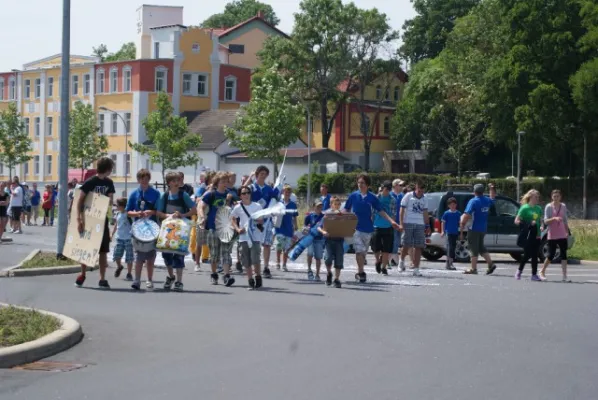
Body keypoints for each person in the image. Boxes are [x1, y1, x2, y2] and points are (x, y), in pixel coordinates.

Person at [343, 174, 399, 283]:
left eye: (362, 183)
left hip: (368, 229)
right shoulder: (353, 196)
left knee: (363, 252)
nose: (360, 185)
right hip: (356, 229)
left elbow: (381, 211)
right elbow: (346, 209)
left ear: (367, 185)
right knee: (359, 251)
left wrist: (392, 221)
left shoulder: (372, 197)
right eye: (359, 183)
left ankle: (360, 271)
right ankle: (361, 272)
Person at [75, 157, 116, 289]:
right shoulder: (90, 182)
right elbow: (80, 201)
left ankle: (102, 279)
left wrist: (107, 200)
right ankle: (82, 274)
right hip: (89, 219)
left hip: (102, 220)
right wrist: (79, 220)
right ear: (108, 169)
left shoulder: (109, 182)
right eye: (111, 168)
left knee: (103, 250)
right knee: (86, 247)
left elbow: (110, 201)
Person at [156, 172, 197, 291]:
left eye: (178, 181)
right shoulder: (165, 196)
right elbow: (159, 212)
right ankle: (171, 276)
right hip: (167, 229)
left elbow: (193, 210)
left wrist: (182, 214)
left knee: (179, 255)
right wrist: (169, 215)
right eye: (174, 181)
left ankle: (179, 281)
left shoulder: (183, 195)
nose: (177, 183)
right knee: (166, 254)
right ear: (169, 183)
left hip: (181, 229)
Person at [199, 172, 236, 287]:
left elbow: (235, 209)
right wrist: (202, 216)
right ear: (217, 183)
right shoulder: (211, 195)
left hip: (226, 228)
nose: (225, 184)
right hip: (213, 227)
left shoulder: (230, 195)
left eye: (226, 181)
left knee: (226, 253)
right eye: (222, 181)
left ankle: (226, 276)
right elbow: (201, 206)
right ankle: (214, 274)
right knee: (214, 254)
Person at [126, 168, 161, 290]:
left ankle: (149, 279)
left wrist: (150, 211)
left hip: (152, 229)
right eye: (142, 179)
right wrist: (137, 214)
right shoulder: (134, 194)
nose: (144, 181)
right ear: (138, 180)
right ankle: (137, 280)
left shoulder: (156, 194)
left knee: (151, 257)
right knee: (139, 257)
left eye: (146, 179)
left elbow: (159, 211)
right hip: (138, 229)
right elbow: (128, 212)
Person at [245, 166, 280, 279]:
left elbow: (275, 200)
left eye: (265, 174)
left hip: (266, 220)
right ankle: (254, 266)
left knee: (267, 244)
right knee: (254, 244)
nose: (263, 176)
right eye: (261, 173)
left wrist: (278, 190)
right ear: (257, 174)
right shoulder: (251, 187)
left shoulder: (269, 189)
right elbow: (243, 196)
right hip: (253, 220)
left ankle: (265, 267)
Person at [231, 185, 264, 289]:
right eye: (244, 193)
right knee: (246, 260)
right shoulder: (238, 207)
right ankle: (250, 280)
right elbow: (232, 218)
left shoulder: (257, 206)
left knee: (255, 259)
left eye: (248, 192)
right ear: (240, 196)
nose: (246, 195)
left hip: (255, 236)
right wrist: (237, 229)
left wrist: (256, 221)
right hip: (243, 237)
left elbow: (261, 220)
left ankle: (258, 276)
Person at [460, 183, 497, 275]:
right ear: (482, 191)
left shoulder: (473, 201)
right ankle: (490, 264)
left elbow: (467, 214)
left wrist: (462, 223)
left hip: (474, 228)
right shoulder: (487, 200)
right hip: (483, 228)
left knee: (473, 248)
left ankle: (473, 268)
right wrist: (492, 188)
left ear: (474, 192)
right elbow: (493, 198)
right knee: (481, 247)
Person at [398, 181, 430, 277]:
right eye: (418, 188)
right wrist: (401, 223)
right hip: (408, 222)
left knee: (418, 246)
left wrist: (427, 225)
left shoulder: (425, 199)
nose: (420, 191)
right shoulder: (408, 196)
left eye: (422, 189)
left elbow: (425, 213)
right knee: (406, 244)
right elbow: (402, 210)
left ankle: (416, 268)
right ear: (416, 187)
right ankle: (401, 261)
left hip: (420, 224)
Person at [540, 190, 570, 282]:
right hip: (552, 233)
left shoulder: (563, 206)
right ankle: (542, 271)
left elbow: (565, 219)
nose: (556, 198)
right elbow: (545, 221)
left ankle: (564, 276)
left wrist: (567, 231)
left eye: (557, 196)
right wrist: (554, 218)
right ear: (551, 197)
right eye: (554, 196)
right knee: (551, 255)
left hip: (562, 233)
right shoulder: (549, 207)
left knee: (564, 254)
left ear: (560, 197)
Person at [514, 189, 543, 281]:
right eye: (535, 197)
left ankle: (534, 275)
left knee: (535, 255)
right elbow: (516, 221)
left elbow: (541, 220)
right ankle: (519, 271)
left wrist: (542, 226)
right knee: (527, 255)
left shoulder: (538, 208)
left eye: (538, 197)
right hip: (528, 235)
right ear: (530, 197)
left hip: (537, 234)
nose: (537, 199)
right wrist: (528, 223)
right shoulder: (524, 208)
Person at [373, 180, 399, 275]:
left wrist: (392, 223)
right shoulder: (376, 198)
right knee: (376, 248)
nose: (386, 191)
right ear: (382, 188)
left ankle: (384, 267)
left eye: (388, 189)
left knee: (386, 249)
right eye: (385, 189)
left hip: (388, 227)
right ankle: (377, 261)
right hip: (376, 226)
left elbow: (393, 214)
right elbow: (372, 212)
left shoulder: (392, 200)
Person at [318, 196, 344, 288]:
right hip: (329, 240)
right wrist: (324, 232)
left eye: (338, 204)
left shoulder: (343, 215)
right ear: (331, 205)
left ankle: (337, 279)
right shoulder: (327, 215)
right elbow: (319, 227)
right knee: (328, 258)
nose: (336, 206)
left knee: (339, 260)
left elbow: (348, 226)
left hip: (339, 240)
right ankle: (329, 273)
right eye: (335, 204)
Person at [275, 185, 298, 273]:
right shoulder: (279, 203)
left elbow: (295, 216)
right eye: (285, 191)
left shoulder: (293, 204)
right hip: (279, 228)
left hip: (289, 228)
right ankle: (278, 262)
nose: (287, 193)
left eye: (289, 192)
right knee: (279, 246)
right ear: (283, 192)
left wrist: (295, 226)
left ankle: (284, 264)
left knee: (287, 248)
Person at [111, 198, 134, 281]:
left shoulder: (128, 214)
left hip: (128, 238)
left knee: (129, 257)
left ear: (122, 206)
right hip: (119, 238)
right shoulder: (118, 214)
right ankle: (119, 266)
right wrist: (112, 234)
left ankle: (129, 273)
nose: (116, 207)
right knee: (116, 255)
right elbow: (116, 225)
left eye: (117, 205)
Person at [304, 200, 325, 280]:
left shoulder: (324, 216)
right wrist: (306, 229)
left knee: (318, 257)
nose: (319, 208)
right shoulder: (309, 216)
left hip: (319, 238)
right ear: (314, 207)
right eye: (318, 206)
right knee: (310, 253)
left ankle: (317, 274)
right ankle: (309, 270)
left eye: (321, 206)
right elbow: (305, 226)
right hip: (310, 238)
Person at [441, 197, 461, 270]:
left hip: (455, 232)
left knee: (453, 247)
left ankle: (449, 262)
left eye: (454, 204)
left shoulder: (458, 213)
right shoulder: (446, 213)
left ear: (456, 205)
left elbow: (460, 223)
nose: (453, 206)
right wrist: (443, 231)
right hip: (448, 232)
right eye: (451, 204)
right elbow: (443, 222)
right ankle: (449, 263)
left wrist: (461, 232)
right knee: (450, 247)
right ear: (448, 205)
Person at [390, 179, 406, 266]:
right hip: (392, 222)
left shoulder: (402, 196)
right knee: (394, 240)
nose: (401, 187)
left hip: (400, 222)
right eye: (400, 185)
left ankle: (393, 258)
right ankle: (392, 259)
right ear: (395, 185)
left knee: (399, 241)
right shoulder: (390, 195)